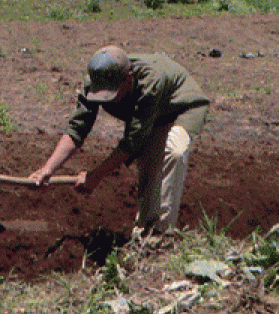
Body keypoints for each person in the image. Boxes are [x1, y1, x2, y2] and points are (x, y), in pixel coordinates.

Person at [28, 45, 209, 239]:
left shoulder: (150, 82)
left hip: (180, 105)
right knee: (148, 162)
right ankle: (145, 232)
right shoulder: (95, 80)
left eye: (111, 94)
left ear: (128, 79)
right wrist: (48, 169)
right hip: (151, 114)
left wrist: (96, 176)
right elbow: (77, 129)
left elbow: (132, 142)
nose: (108, 101)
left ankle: (163, 235)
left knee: (174, 151)